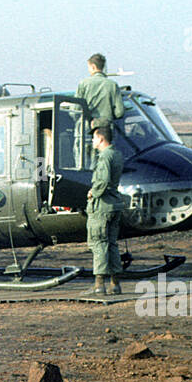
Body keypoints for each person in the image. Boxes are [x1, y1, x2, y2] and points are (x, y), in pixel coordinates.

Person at [85, 123, 125, 295]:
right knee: (112, 244)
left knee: (99, 243)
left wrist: (93, 192)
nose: (92, 141)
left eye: (94, 138)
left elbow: (103, 180)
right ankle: (115, 283)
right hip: (115, 203)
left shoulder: (104, 157)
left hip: (102, 205)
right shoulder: (117, 154)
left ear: (101, 139)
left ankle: (99, 284)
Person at [76, 53, 126, 130]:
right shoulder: (113, 85)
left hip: (85, 129)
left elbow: (75, 109)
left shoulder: (83, 84)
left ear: (93, 67)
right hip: (106, 128)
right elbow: (119, 112)